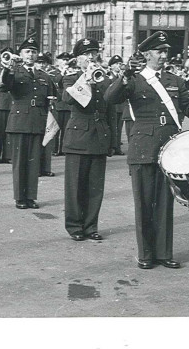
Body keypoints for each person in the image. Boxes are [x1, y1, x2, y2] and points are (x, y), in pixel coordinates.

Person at [104, 31, 189, 270]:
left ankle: (163, 253)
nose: (163, 55)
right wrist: (124, 77)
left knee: (164, 203)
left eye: (165, 51)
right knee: (144, 203)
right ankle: (146, 254)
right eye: (159, 51)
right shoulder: (135, 79)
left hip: (169, 148)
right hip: (143, 148)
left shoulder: (175, 80)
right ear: (147, 54)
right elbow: (110, 98)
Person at [61, 38, 117, 241]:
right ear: (77, 58)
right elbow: (67, 99)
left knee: (95, 187)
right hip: (78, 137)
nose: (91, 57)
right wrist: (85, 79)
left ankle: (91, 225)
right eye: (87, 54)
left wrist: (112, 142)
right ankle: (75, 226)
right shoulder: (71, 78)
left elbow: (111, 111)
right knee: (75, 186)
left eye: (94, 53)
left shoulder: (105, 80)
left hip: (99, 137)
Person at [0, 37, 56, 209]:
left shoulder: (43, 75)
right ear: (21, 54)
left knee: (33, 161)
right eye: (27, 52)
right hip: (19, 121)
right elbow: (3, 86)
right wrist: (7, 68)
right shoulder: (14, 72)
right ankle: (19, 197)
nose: (31, 55)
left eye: (33, 52)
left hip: (37, 120)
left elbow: (51, 98)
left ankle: (31, 196)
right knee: (20, 161)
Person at [53, 52, 74, 156]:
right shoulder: (54, 72)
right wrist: (62, 72)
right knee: (56, 129)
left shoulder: (72, 72)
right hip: (58, 104)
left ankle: (64, 148)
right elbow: (55, 82)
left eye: (67, 60)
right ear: (58, 62)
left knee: (66, 129)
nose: (65, 62)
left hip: (68, 105)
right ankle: (55, 149)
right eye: (63, 60)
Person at [108, 55, 126, 155]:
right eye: (116, 64)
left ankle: (117, 147)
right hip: (112, 106)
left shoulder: (121, 76)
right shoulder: (109, 76)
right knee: (111, 127)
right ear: (111, 66)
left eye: (120, 63)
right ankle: (111, 147)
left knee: (119, 128)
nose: (118, 65)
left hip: (121, 106)